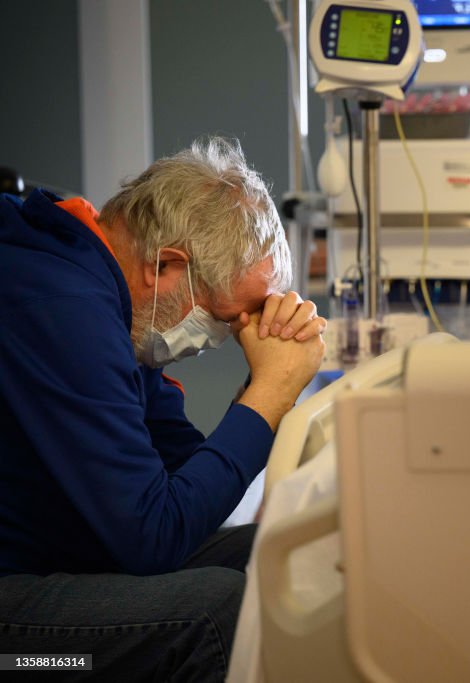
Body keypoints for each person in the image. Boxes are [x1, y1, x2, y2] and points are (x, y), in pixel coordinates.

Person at [0, 138, 326, 681]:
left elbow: (183, 482)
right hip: (16, 651)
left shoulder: (109, 297)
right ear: (166, 266)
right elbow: (154, 538)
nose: (232, 336)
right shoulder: (63, 310)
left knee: (280, 557)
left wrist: (262, 386)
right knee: (215, 614)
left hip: (49, 559)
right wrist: (271, 395)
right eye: (230, 319)